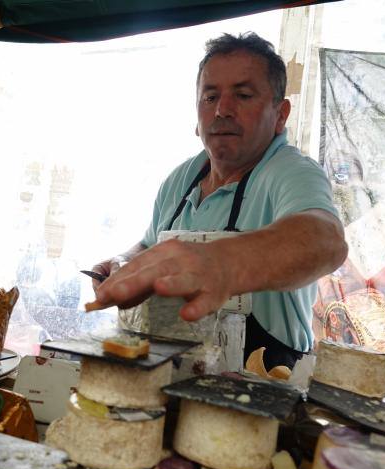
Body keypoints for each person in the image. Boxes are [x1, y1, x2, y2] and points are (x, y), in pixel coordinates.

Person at [89, 32, 348, 369]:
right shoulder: (181, 180)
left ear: (280, 114)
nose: (223, 110)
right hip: (172, 373)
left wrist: (224, 262)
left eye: (242, 95)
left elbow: (325, 241)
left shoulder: (290, 172)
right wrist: (123, 264)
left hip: (263, 385)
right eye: (210, 97)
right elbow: (150, 243)